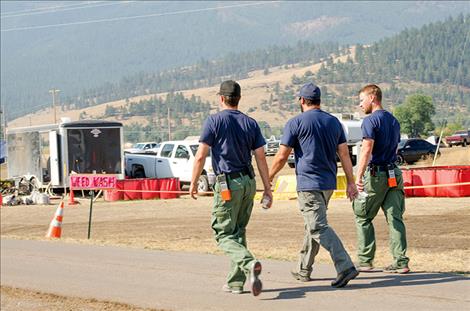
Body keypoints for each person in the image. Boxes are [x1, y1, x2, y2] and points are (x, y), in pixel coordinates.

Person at [269, 82, 359, 288]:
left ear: (301, 100)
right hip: (328, 183)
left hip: (308, 183)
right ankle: (303, 268)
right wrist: (350, 182)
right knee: (314, 225)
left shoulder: (296, 122)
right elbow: (344, 154)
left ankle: (345, 266)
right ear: (319, 101)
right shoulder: (334, 122)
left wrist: (269, 177)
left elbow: (282, 155)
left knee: (317, 226)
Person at [190, 80, 273, 296]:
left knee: (223, 233)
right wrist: (267, 188)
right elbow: (261, 158)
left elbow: (200, 156)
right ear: (239, 99)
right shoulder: (251, 123)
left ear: (221, 98)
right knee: (238, 231)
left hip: (228, 182)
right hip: (248, 181)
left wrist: (193, 183)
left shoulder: (214, 121)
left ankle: (249, 263)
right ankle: (236, 283)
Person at [354, 84, 410, 273]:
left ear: (372, 98)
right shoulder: (394, 121)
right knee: (395, 217)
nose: (360, 105)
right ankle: (401, 262)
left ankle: (365, 261)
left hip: (377, 174)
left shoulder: (370, 121)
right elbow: (394, 149)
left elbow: (366, 150)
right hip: (394, 172)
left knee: (363, 216)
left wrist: (358, 176)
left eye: (362, 100)